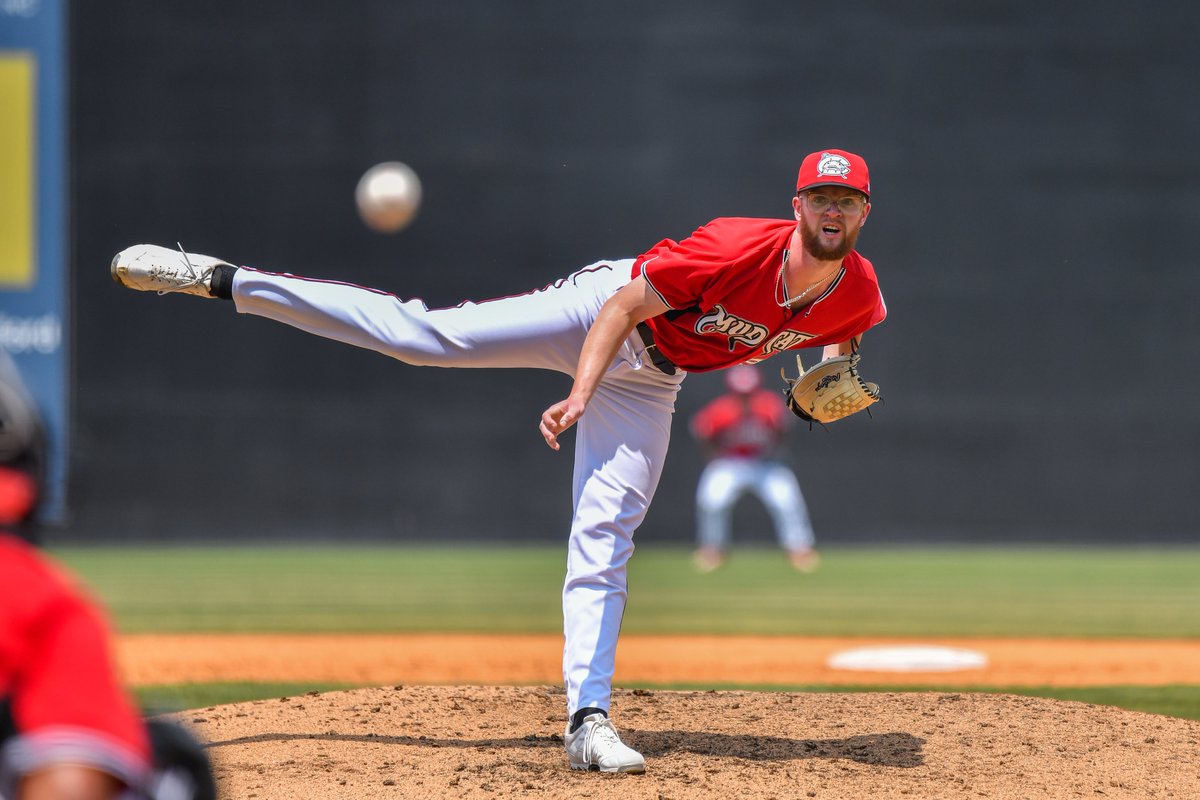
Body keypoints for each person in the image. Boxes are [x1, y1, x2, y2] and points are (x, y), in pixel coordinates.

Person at [109, 148, 886, 774]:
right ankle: (225, 279)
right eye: (821, 198)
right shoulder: (733, 246)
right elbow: (622, 309)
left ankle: (588, 721)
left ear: (863, 213)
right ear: (797, 206)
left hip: (654, 379)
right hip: (598, 313)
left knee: (606, 529)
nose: (832, 210)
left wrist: (837, 363)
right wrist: (581, 393)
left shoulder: (859, 292)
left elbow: (847, 334)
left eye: (846, 201)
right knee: (421, 339)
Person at [690, 364, 818, 573]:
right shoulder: (720, 410)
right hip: (730, 462)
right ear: (732, 391)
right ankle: (712, 550)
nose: (745, 397)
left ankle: (800, 550)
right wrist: (713, 457)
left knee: (786, 499)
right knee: (712, 500)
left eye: (748, 392)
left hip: (764, 462)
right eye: (740, 393)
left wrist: (776, 452)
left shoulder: (769, 406)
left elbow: (784, 429)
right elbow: (702, 432)